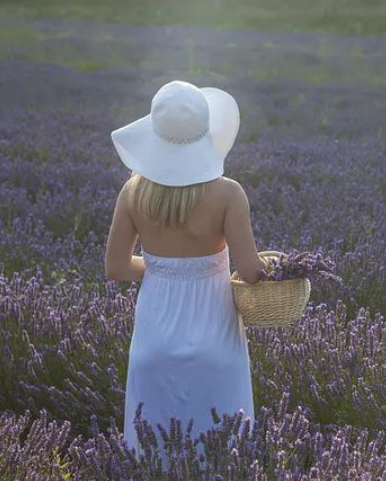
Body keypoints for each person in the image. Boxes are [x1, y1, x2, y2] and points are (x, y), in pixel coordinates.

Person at [104, 80, 268, 471]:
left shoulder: (133, 193)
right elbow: (249, 271)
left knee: (152, 458)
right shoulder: (228, 194)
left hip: (154, 344)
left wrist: (162, 267)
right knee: (222, 458)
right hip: (216, 343)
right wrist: (278, 268)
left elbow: (116, 267)